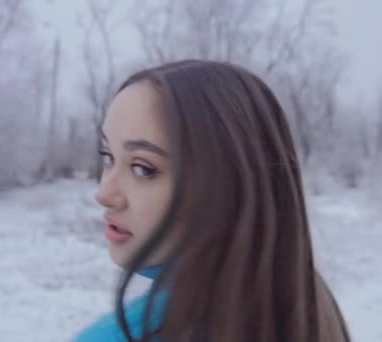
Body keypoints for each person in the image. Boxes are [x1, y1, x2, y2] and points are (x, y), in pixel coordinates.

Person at [74, 60, 350, 342]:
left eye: (143, 168)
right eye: (108, 157)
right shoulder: (303, 302)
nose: (104, 194)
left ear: (227, 186)